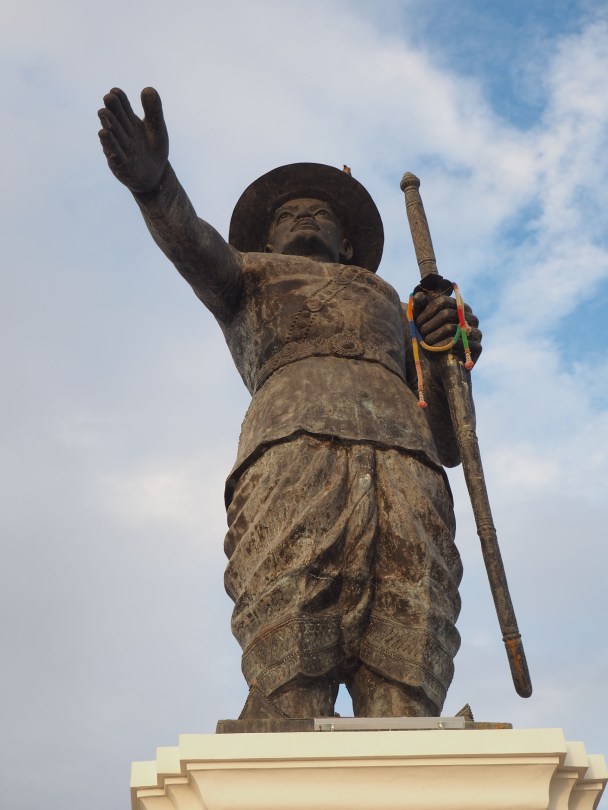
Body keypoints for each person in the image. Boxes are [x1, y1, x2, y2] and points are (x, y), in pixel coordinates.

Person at [98, 87, 482, 720]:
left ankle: (407, 726)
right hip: (293, 441)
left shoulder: (396, 306)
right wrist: (155, 186)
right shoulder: (248, 276)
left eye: (321, 213)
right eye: (289, 214)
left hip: (405, 452)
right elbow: (193, 244)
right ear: (267, 239)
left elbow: (448, 440)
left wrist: (448, 354)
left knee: (408, 614)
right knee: (291, 608)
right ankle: (284, 715)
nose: (305, 217)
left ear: (348, 243)